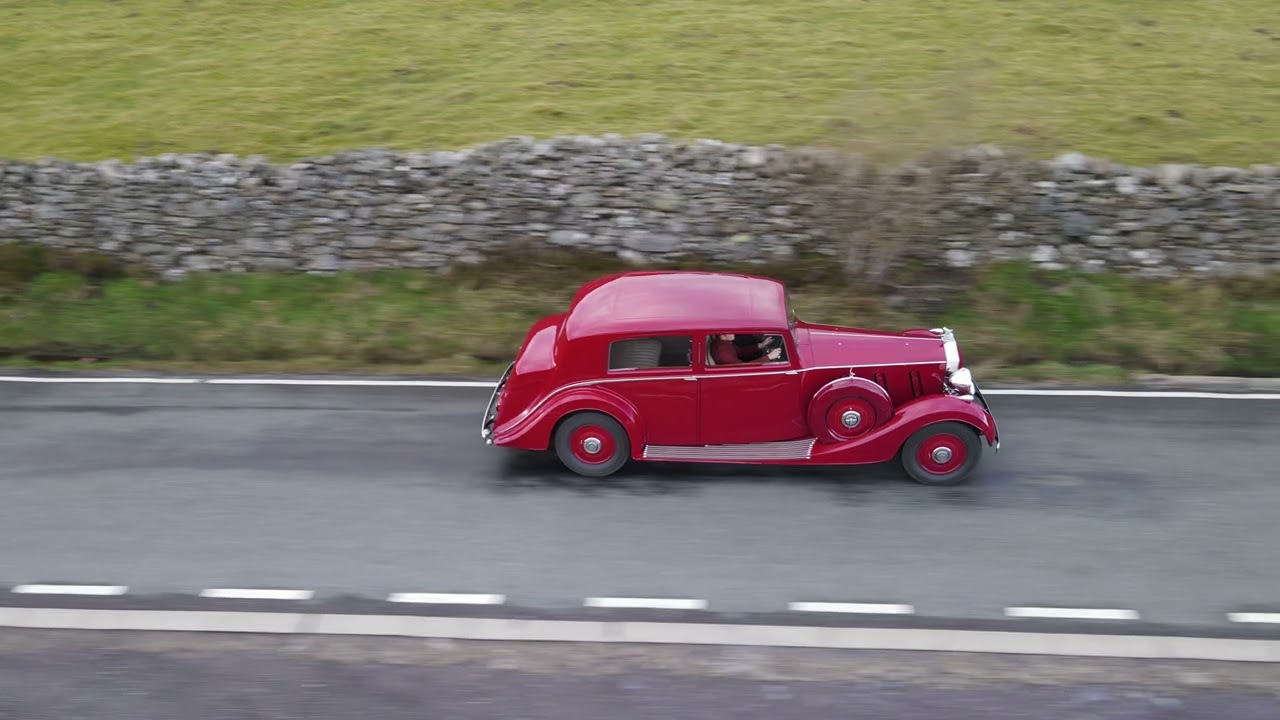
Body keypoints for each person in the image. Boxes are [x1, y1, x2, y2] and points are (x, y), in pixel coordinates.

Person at [710, 334, 782, 365]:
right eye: (730, 332)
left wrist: (761, 345)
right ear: (722, 336)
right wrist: (769, 357)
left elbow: (740, 351)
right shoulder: (724, 353)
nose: (733, 333)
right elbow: (743, 367)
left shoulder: (724, 342)